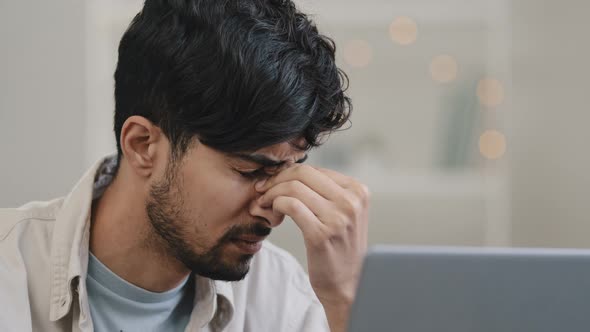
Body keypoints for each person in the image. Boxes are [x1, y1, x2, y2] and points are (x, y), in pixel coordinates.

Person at [0, 0, 369, 331]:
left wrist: (342, 300)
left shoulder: (283, 296)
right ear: (143, 145)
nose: (274, 212)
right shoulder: (10, 274)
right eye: (250, 171)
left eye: (290, 169)